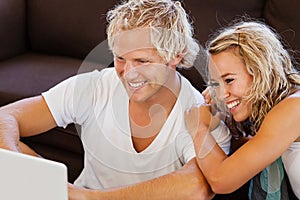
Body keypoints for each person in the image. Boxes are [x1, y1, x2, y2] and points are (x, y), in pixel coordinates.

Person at [0, 0, 232, 199]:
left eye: (142, 61)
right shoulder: (93, 87)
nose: (128, 73)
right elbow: (6, 117)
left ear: (176, 56)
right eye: (120, 58)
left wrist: (89, 198)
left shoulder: (201, 115)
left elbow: (197, 188)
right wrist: (47, 182)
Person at [185, 21, 300, 199]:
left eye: (229, 80)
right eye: (215, 85)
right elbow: (252, 152)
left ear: (260, 71)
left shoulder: (293, 108)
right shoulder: (284, 109)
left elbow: (221, 181)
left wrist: (198, 128)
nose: (221, 95)